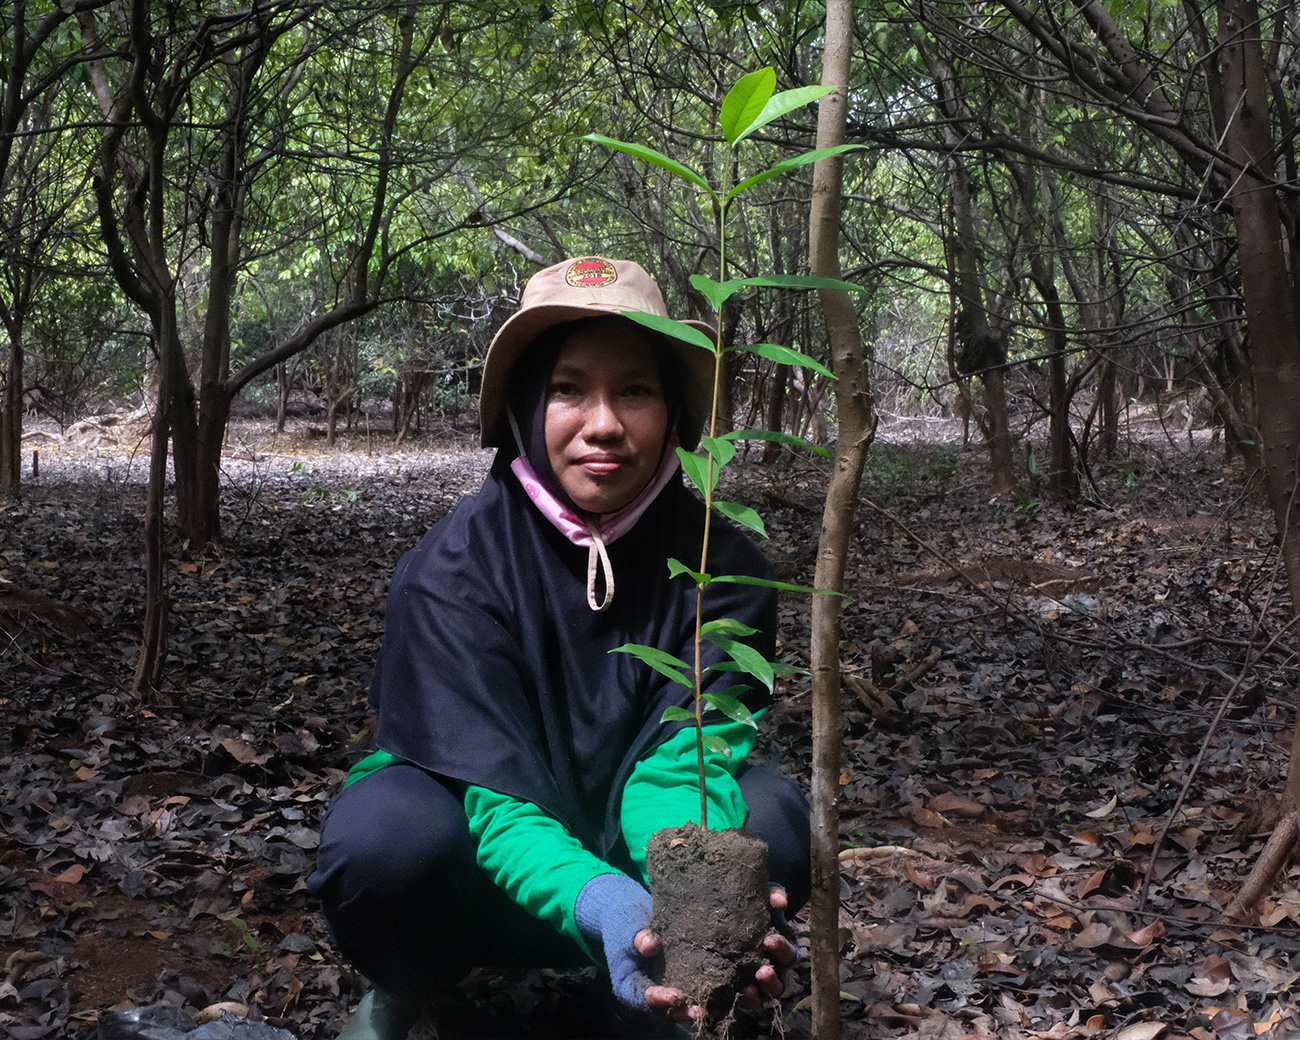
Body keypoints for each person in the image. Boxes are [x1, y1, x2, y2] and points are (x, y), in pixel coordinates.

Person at [308, 256, 812, 1039]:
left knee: (772, 819)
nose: (603, 423)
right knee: (383, 841)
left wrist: (687, 901)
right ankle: (414, 984)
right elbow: (491, 798)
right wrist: (597, 900)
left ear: (675, 412)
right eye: (568, 389)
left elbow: (689, 762)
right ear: (523, 407)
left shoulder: (727, 569)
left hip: (640, 870)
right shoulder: (449, 571)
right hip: (484, 882)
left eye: (636, 390)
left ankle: (677, 988)